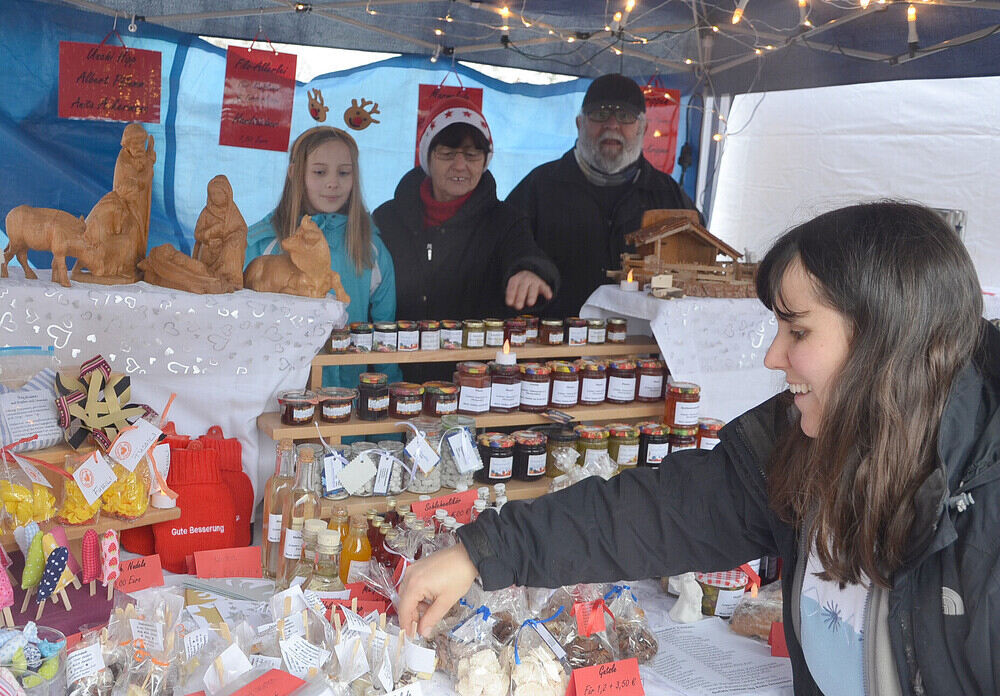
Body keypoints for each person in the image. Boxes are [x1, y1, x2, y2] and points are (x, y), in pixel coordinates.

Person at [399, 202, 999, 696]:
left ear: (884, 341)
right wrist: (482, 551)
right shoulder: (809, 447)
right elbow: (655, 513)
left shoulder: (985, 523)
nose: (772, 356)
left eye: (799, 331)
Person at [506, 73, 700, 317]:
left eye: (625, 116)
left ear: (644, 128)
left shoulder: (668, 196)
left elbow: (698, 259)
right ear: (579, 123)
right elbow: (503, 246)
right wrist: (524, 267)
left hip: (639, 345)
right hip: (553, 343)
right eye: (599, 114)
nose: (611, 125)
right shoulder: (539, 186)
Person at [373, 96, 560, 323]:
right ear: (428, 158)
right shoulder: (386, 218)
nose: (460, 165)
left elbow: (526, 255)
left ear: (484, 162)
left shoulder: (506, 222)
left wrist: (530, 272)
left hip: (476, 357)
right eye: (448, 153)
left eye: (472, 155)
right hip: (396, 355)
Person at [246, 126, 401, 387]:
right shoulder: (262, 243)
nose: (333, 182)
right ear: (295, 173)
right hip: (278, 402)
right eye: (319, 172)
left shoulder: (369, 249)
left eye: (344, 172)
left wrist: (389, 416)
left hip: (348, 408)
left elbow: (386, 337)